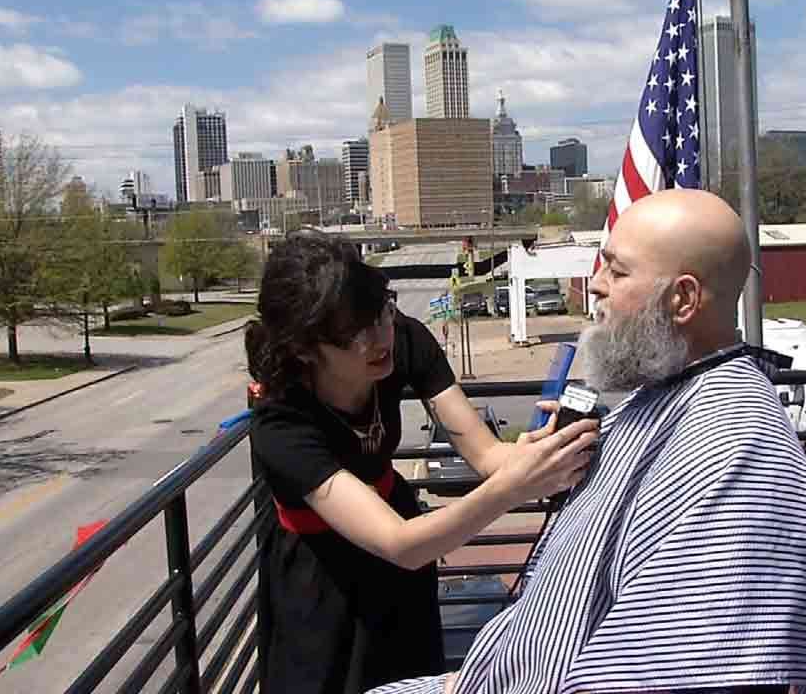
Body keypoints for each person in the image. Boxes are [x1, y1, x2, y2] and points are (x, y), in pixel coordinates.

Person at [369, 190, 806, 694]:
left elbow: (674, 673)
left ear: (682, 298)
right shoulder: (662, 394)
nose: (594, 284)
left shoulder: (736, 446)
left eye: (616, 271)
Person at [245, 230, 600, 694]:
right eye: (354, 333)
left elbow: (487, 454)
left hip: (399, 567)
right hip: (321, 580)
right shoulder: (280, 421)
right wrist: (514, 486)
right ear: (304, 348)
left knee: (410, 674)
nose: (379, 338)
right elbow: (401, 544)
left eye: (381, 314)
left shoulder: (400, 337)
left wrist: (545, 451)